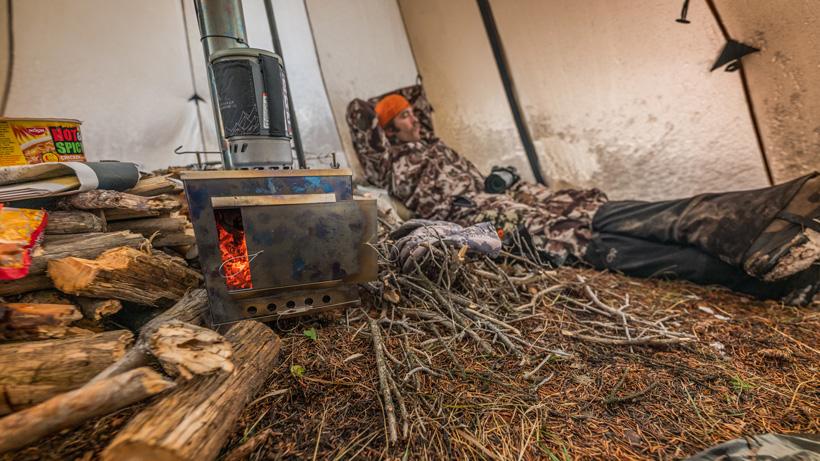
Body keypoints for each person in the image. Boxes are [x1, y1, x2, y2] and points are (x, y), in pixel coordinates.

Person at [346, 88, 819, 305]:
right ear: (386, 129)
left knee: (598, 208)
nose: (412, 119)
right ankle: (773, 282)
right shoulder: (389, 164)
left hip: (510, 198)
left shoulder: (438, 146)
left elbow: (479, 179)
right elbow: (362, 120)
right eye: (400, 117)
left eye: (411, 113)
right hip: (484, 216)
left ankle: (756, 219)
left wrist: (514, 185)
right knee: (587, 238)